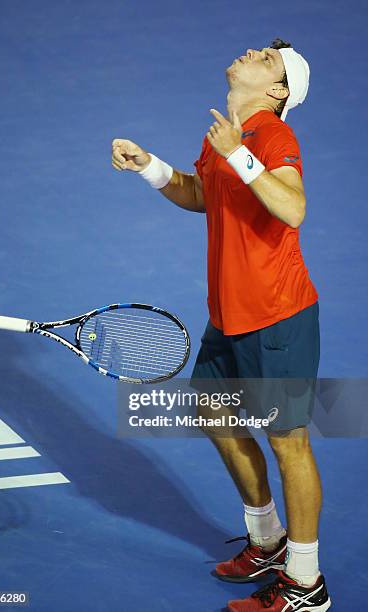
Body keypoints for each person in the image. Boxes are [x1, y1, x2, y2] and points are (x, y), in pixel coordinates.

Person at [111, 38, 331, 611]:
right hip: (228, 315)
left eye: (267, 58)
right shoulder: (226, 134)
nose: (253, 52)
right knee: (213, 414)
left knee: (289, 443)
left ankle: (306, 583)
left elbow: (293, 208)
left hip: (278, 315)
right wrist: (151, 167)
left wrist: (240, 154)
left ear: (277, 91)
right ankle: (267, 541)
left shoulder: (275, 137)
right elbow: (204, 195)